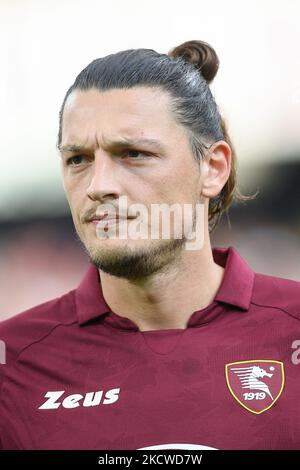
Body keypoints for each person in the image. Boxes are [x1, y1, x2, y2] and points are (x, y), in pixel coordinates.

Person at [0, 40, 299, 451]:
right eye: (78, 159)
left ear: (213, 169)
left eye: (134, 153)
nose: (99, 186)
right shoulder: (12, 363)